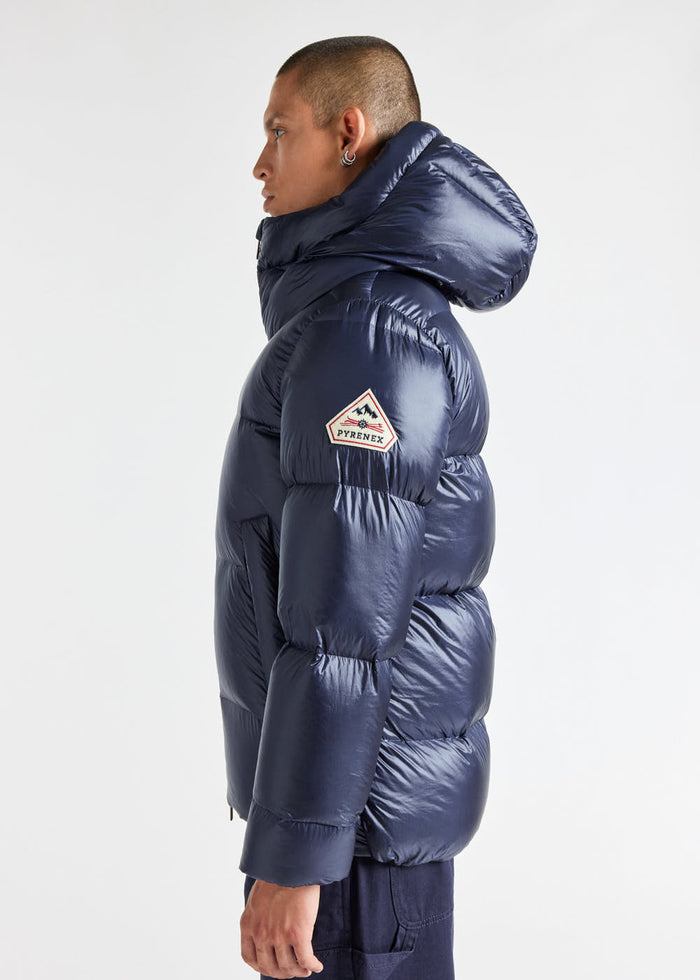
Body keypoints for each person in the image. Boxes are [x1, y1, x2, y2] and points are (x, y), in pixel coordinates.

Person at [213, 35, 537, 980]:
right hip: (360, 824)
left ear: (348, 133)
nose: (261, 162)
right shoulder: (366, 312)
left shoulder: (367, 330)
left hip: (352, 842)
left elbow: (341, 623)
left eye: (281, 130)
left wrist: (296, 854)